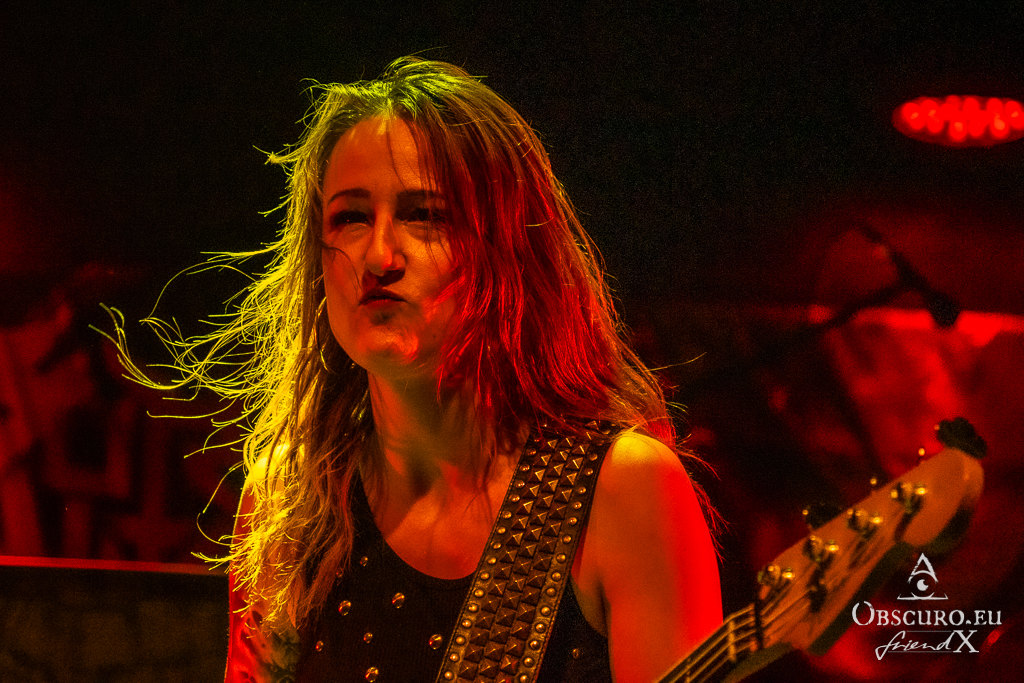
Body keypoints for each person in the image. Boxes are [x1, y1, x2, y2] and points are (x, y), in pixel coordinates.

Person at [209, 57, 721, 683]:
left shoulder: (625, 493)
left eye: (424, 215)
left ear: (507, 248)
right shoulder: (292, 499)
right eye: (350, 217)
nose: (379, 255)